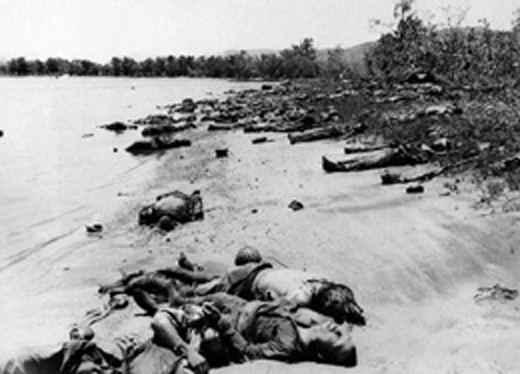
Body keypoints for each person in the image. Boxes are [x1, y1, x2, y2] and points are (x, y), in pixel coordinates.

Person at [151, 292, 357, 368]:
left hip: (225, 324)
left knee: (163, 318)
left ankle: (164, 308)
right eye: (342, 330)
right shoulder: (307, 325)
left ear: (321, 353)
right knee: (191, 296)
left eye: (337, 337)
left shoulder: (287, 346)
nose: (336, 328)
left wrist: (223, 324)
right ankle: (171, 298)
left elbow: (247, 352)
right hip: (238, 305)